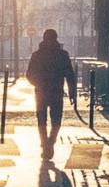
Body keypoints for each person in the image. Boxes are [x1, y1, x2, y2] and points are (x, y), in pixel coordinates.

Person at [25, 28, 75, 160]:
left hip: (41, 92)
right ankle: (50, 142)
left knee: (41, 120)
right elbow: (70, 75)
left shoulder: (37, 55)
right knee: (56, 120)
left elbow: (29, 74)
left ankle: (44, 143)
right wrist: (72, 93)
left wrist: (38, 84)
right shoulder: (63, 55)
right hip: (57, 91)